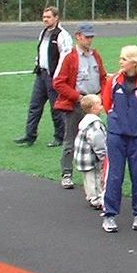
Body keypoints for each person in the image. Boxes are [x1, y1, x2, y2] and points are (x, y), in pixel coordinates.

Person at [100, 46, 137, 233]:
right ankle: (109, 214)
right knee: (114, 175)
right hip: (117, 135)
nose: (120, 62)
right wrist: (117, 121)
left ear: (134, 62)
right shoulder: (114, 80)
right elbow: (107, 104)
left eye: (124, 59)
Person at [52, 22, 107, 189]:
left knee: (97, 139)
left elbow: (103, 77)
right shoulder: (71, 57)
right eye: (87, 37)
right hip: (77, 105)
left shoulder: (95, 55)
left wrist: (101, 96)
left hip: (94, 104)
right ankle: (67, 173)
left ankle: (98, 173)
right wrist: (78, 97)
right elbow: (59, 83)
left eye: (91, 37)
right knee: (71, 139)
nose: (89, 40)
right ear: (78, 36)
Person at [14, 6, 72, 147]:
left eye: (48, 17)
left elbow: (66, 58)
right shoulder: (44, 32)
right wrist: (37, 64)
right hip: (42, 74)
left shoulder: (62, 35)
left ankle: (60, 137)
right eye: (44, 17)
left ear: (56, 17)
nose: (45, 19)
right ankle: (30, 135)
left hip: (54, 77)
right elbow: (41, 51)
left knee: (56, 108)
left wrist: (58, 77)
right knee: (35, 106)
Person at [72, 94, 107, 210]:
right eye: (100, 104)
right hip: (91, 158)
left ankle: (91, 196)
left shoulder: (84, 121)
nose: (102, 107)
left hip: (83, 157)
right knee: (96, 178)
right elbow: (98, 142)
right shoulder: (95, 124)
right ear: (92, 108)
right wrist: (103, 157)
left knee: (88, 179)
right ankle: (96, 199)